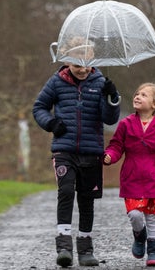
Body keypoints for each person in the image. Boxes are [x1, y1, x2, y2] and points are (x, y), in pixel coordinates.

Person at [32, 37, 121, 267]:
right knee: (65, 191)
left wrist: (112, 98)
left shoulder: (100, 82)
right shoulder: (56, 82)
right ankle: (63, 246)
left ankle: (85, 247)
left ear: (93, 60)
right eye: (76, 64)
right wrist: (51, 124)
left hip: (91, 151)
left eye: (86, 64)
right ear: (67, 60)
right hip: (64, 149)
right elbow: (39, 107)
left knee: (87, 199)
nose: (82, 69)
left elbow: (110, 119)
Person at [103, 82, 155, 266]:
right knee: (135, 215)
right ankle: (139, 235)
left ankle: (154, 252)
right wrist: (109, 156)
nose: (137, 96)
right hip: (132, 178)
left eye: (144, 95)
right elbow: (116, 146)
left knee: (153, 218)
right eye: (137, 93)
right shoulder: (126, 124)